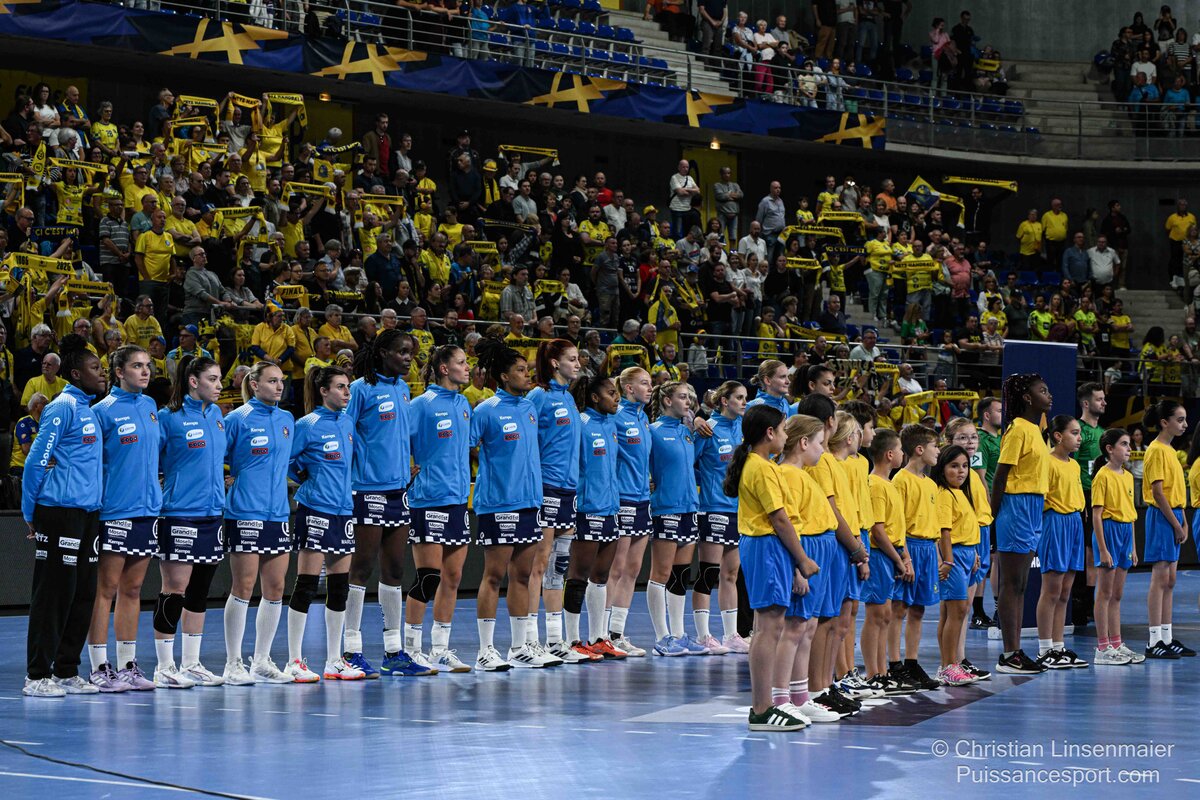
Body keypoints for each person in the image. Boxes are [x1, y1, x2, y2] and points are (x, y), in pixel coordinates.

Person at [21, 335, 106, 698]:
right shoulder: (62, 407)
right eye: (95, 368)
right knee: (53, 593)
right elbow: (36, 460)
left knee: (83, 593)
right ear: (76, 374)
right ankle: (37, 675)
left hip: (87, 514)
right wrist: (30, 512)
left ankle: (66, 671)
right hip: (58, 511)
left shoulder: (89, 409)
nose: (102, 373)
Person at [471, 340, 554, 668]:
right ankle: (485, 650)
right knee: (493, 576)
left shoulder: (530, 407)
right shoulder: (486, 410)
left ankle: (519, 648)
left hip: (529, 502)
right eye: (520, 370)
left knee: (522, 576)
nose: (527, 374)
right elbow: (466, 446)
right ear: (504, 376)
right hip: (498, 504)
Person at [728, 405, 812, 732]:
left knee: (769, 626)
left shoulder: (762, 465)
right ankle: (762, 709)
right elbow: (779, 518)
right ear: (769, 433)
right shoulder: (760, 468)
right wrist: (802, 559)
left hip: (768, 549)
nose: (787, 435)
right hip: (766, 547)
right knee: (767, 628)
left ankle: (765, 707)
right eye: (784, 429)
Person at [341, 330, 419, 678]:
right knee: (361, 568)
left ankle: (393, 651)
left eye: (410, 352)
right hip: (367, 490)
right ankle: (351, 649)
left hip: (398, 492)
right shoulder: (360, 390)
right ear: (384, 352)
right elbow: (345, 435)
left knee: (395, 570)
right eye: (402, 352)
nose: (408, 358)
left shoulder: (403, 389)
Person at [86, 345, 164, 691]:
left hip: (147, 512)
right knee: (105, 590)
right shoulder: (101, 412)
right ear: (119, 372)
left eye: (147, 365)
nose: (145, 371)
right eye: (137, 366)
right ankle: (98, 667)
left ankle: (128, 666)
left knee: (132, 590)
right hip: (114, 512)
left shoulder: (150, 406)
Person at [285, 365, 364, 682]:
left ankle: (334, 660)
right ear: (323, 391)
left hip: (343, 510)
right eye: (341, 387)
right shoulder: (307, 424)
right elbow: (287, 460)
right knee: (306, 585)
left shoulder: (347, 421)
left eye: (348, 387)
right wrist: (304, 476)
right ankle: (294, 660)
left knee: (339, 587)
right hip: (315, 509)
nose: (347, 392)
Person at [221, 362, 296, 685]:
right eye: (272, 381)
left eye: (281, 381)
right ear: (254, 384)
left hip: (278, 513)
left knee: (276, 587)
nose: (279, 386)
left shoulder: (287, 419)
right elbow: (214, 457)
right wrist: (227, 481)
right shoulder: (236, 419)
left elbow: (294, 461)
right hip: (245, 511)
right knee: (243, 586)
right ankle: (232, 663)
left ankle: (261, 661)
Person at [154, 356, 227, 687]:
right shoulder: (168, 418)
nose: (220, 385)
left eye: (220, 378)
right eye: (213, 379)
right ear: (193, 382)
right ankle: (164, 666)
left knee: (199, 592)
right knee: (175, 590)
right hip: (179, 513)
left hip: (212, 515)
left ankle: (192, 663)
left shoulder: (217, 416)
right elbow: (149, 459)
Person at [407, 345, 479, 671]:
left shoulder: (463, 404)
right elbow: (400, 443)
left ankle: (439, 650)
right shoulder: (421, 405)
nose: (468, 367)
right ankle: (411, 650)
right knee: (429, 579)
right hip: (428, 500)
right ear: (444, 369)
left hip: (458, 502)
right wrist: (406, 469)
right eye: (462, 362)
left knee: (453, 577)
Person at [525, 340, 589, 663]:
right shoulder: (539, 396)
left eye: (578, 359)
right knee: (538, 564)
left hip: (568, 491)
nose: (578, 364)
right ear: (554, 363)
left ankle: (553, 640)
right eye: (572, 359)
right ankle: (527, 641)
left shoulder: (569, 398)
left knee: (557, 568)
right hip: (546, 489)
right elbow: (526, 442)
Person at [990, 374, 1053, 675]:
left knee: (1022, 584)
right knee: (1011, 582)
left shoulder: (1036, 430)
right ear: (1027, 398)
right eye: (1042, 391)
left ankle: (1015, 652)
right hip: (1016, 507)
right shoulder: (1016, 429)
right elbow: (1000, 476)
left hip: (1034, 505)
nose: (1049, 395)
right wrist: (991, 517)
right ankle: (1009, 654)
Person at [566, 375, 629, 660]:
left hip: (610, 509)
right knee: (578, 575)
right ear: (594, 398)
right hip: (587, 508)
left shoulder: (611, 424)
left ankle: (598, 638)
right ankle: (572, 640)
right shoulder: (580, 423)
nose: (617, 398)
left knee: (601, 576)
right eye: (611, 393)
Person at [643, 381, 703, 657]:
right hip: (665, 508)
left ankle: (678, 634)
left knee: (680, 574)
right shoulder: (653, 431)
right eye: (682, 397)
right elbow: (639, 463)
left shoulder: (687, 432)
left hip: (689, 508)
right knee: (661, 573)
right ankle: (661, 637)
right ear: (667, 401)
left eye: (689, 397)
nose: (688, 402)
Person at [693, 382, 748, 654]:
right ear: (724, 401)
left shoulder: (743, 429)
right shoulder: (708, 429)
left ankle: (731, 635)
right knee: (709, 572)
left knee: (731, 574)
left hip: (737, 510)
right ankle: (703, 635)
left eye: (745, 398)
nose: (744, 402)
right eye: (739, 398)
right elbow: (688, 461)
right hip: (713, 507)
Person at [888, 424, 943, 692]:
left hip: (928, 548)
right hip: (909, 545)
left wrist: (938, 555)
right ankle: (894, 664)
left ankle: (912, 662)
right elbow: (897, 523)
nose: (938, 451)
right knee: (899, 608)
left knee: (918, 609)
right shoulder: (900, 480)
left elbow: (934, 524)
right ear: (920, 449)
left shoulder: (930, 483)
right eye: (935, 446)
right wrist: (904, 556)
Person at [1032, 416, 1089, 670]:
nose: (1079, 438)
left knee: (1066, 591)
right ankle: (1045, 649)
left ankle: (1058, 646)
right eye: (1074, 433)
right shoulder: (1047, 462)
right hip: (1055, 522)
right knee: (1051, 589)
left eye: (1079, 433)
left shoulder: (1074, 465)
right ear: (1058, 436)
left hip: (1075, 522)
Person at [605, 367, 654, 656]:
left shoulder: (643, 418)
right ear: (628, 388)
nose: (650, 388)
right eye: (644, 383)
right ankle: (601, 634)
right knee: (616, 568)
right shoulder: (616, 416)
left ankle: (617, 633)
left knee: (633, 569)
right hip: (622, 499)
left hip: (643, 499)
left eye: (650, 383)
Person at [1141, 400, 1194, 659]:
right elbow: (1158, 492)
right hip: (1162, 517)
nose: (1185, 425)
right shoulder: (1155, 450)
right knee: (1160, 577)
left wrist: (1183, 520)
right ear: (1165, 422)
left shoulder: (1171, 450)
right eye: (1180, 420)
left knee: (1170, 580)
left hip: (1174, 514)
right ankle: (1153, 641)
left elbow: (1175, 492)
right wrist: (1175, 523)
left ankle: (1166, 637)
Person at [863, 430, 912, 695]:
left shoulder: (888, 484)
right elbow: (878, 531)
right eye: (901, 449)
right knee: (876, 615)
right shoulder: (875, 485)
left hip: (891, 554)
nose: (904, 454)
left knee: (885, 615)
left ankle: (882, 672)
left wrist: (903, 555)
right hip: (880, 554)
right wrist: (897, 558)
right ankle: (873, 673)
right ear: (890, 454)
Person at [1091, 429, 1143, 666]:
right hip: (1109, 532)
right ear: (1110, 449)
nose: (1129, 448)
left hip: (1125, 535)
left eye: (1129, 444)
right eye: (1124, 444)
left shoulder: (1128, 476)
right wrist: (1103, 549)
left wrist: (1133, 547)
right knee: (1104, 593)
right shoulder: (1102, 476)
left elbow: (1130, 515)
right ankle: (1103, 648)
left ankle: (1116, 643)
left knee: (1117, 594)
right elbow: (1097, 515)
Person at [931, 445, 979, 686]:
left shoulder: (961, 493)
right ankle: (948, 666)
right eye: (954, 466)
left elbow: (966, 527)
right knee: (956, 610)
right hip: (955, 557)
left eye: (965, 466)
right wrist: (948, 560)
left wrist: (975, 553)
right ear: (942, 468)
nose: (961, 471)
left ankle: (951, 664)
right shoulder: (944, 494)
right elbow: (945, 532)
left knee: (956, 611)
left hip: (967, 554)